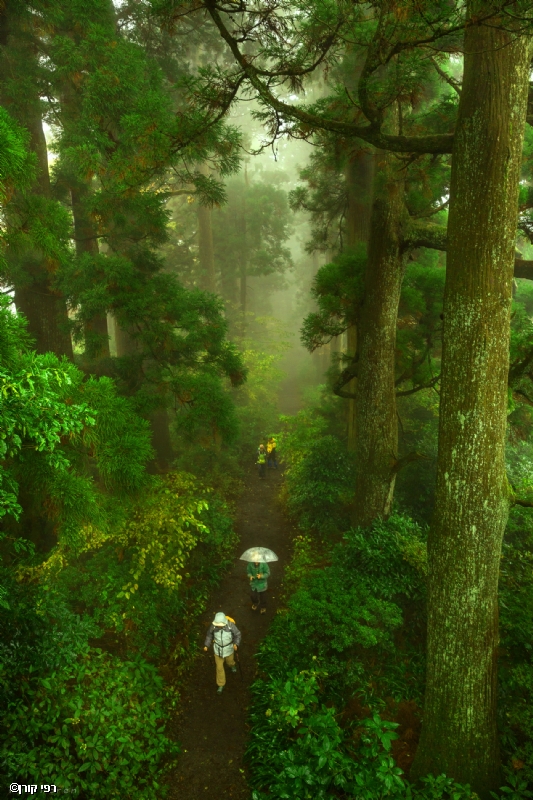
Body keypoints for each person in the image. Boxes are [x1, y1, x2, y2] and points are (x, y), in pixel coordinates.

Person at [204, 612, 241, 694]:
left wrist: (236, 644)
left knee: (229, 661)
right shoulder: (213, 627)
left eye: (220, 624)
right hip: (218, 650)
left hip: (228, 649)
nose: (218, 625)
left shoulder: (231, 626)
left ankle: (232, 665)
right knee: (219, 668)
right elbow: (209, 635)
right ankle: (221, 684)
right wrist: (207, 645)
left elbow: (237, 634)